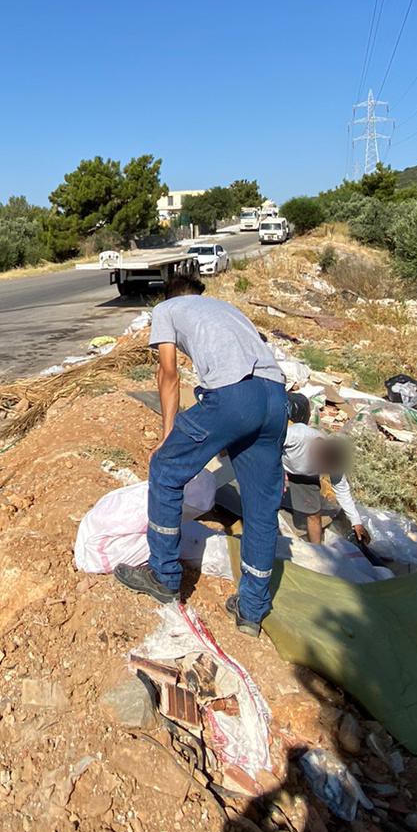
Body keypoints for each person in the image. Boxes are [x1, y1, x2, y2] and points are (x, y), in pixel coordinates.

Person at [114, 271, 287, 636]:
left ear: (170, 296)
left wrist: (167, 434)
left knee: (165, 468)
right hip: (275, 398)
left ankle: (163, 576)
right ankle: (252, 610)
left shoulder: (167, 309)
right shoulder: (227, 309)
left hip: (234, 396)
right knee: (260, 506)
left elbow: (169, 375)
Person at [282, 391, 370, 547]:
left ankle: (318, 551)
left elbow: (342, 490)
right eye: (321, 467)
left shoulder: (332, 459)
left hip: (303, 475)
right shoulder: (297, 435)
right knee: (269, 501)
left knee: (314, 514)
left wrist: (356, 521)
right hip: (277, 461)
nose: (323, 471)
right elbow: (268, 443)